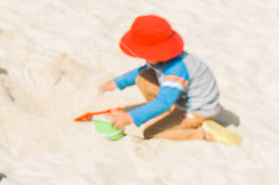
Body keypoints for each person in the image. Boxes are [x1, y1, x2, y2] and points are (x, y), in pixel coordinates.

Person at [98, 15, 238, 143]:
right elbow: (140, 72)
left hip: (195, 112)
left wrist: (129, 118)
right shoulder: (162, 58)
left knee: (150, 132)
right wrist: (117, 82)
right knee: (143, 76)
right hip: (178, 99)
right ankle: (163, 113)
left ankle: (202, 134)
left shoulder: (177, 70)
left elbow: (164, 102)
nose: (143, 57)